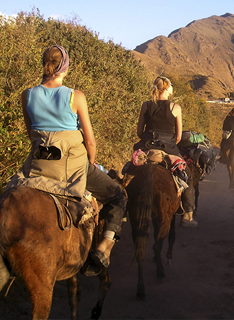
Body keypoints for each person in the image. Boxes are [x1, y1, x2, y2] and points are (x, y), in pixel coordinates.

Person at [16, 45, 127, 273]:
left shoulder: (27, 95)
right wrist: (92, 163)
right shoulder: (75, 96)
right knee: (118, 196)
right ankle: (104, 248)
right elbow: (90, 141)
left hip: (38, 164)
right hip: (72, 166)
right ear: (65, 66)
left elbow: (32, 136)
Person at [134, 76, 197, 227]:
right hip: (168, 148)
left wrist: (148, 140)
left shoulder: (146, 105)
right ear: (168, 88)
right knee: (187, 176)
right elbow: (179, 137)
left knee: (128, 172)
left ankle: (123, 210)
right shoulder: (175, 108)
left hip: (146, 146)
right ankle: (187, 215)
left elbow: (139, 132)